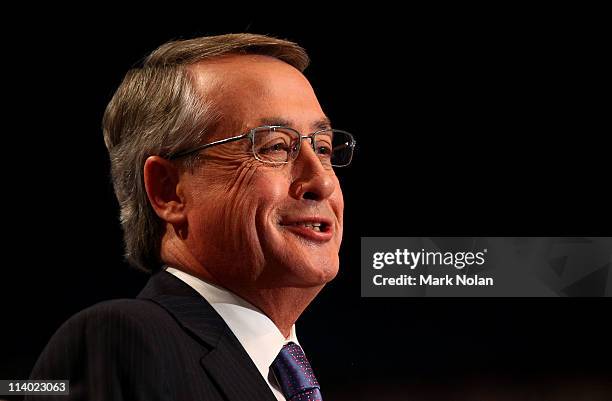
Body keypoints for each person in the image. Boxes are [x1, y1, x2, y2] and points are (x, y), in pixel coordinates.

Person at [27, 33, 355, 401]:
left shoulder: (283, 377)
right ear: (168, 190)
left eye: (323, 148)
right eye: (276, 146)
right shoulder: (121, 342)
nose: (322, 181)